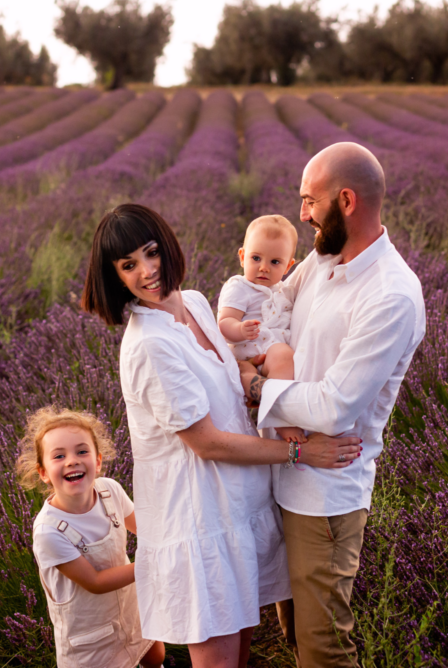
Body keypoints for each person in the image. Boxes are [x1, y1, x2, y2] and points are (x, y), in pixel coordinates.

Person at [80, 203, 362, 668]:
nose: (148, 272)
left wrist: (258, 387)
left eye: (151, 253)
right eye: (129, 265)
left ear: (167, 246)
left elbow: (231, 372)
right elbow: (206, 442)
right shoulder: (150, 344)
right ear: (115, 276)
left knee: (241, 656)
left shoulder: (191, 302)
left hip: (236, 509)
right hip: (200, 522)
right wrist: (300, 450)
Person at [239, 142, 427, 667]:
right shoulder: (322, 261)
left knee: (324, 646)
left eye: (308, 200)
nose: (301, 214)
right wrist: (271, 356)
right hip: (280, 470)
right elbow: (276, 302)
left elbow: (334, 408)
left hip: (324, 496)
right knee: (294, 631)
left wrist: (258, 389)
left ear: (345, 200)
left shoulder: (390, 294)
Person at [16, 406, 166, 668]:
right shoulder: (49, 531)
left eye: (82, 451)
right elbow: (95, 581)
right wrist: (153, 564)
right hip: (90, 637)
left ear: (97, 462)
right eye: (59, 456)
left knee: (154, 653)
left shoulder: (110, 491)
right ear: (43, 473)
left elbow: (146, 529)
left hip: (130, 606)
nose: (72, 460)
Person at [217, 214, 304, 444]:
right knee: (284, 358)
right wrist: (239, 329)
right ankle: (280, 416)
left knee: (284, 361)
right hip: (248, 347)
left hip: (269, 349)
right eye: (256, 258)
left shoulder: (284, 290)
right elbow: (224, 322)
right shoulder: (239, 287)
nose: (263, 268)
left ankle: (261, 395)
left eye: (275, 262)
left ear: (288, 266)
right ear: (242, 257)